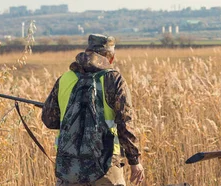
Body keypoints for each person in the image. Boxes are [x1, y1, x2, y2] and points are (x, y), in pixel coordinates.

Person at [42, 34, 144, 186]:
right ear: (110, 57)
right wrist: (134, 160)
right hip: (105, 166)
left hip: (69, 168)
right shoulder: (114, 79)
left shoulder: (65, 78)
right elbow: (125, 124)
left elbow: (49, 120)